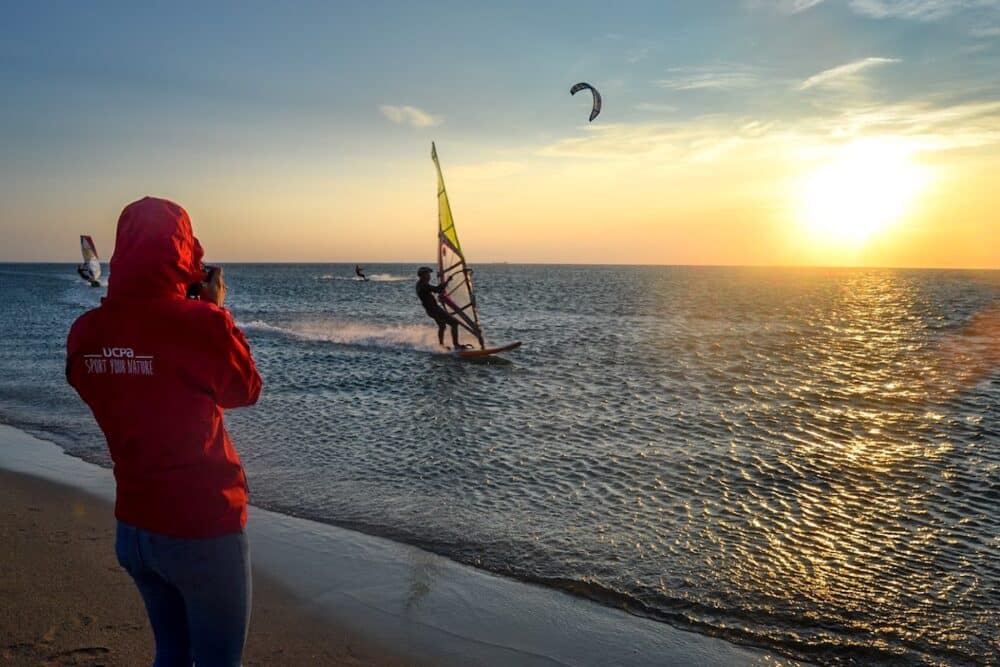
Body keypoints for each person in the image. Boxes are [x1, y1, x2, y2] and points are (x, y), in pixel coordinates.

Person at [66, 196, 262, 667]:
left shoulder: (86, 333)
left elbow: (93, 379)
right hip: (202, 527)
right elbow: (245, 389)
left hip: (135, 526)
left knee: (171, 653)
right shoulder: (201, 326)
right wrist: (216, 312)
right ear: (183, 250)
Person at [415, 266, 466, 349]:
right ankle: (456, 345)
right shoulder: (423, 285)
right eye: (427, 274)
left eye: (429, 274)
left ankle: (441, 346)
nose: (429, 276)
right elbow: (438, 289)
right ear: (422, 275)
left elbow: (434, 291)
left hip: (431, 310)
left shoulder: (420, 284)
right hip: (434, 310)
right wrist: (447, 281)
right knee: (454, 323)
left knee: (442, 326)